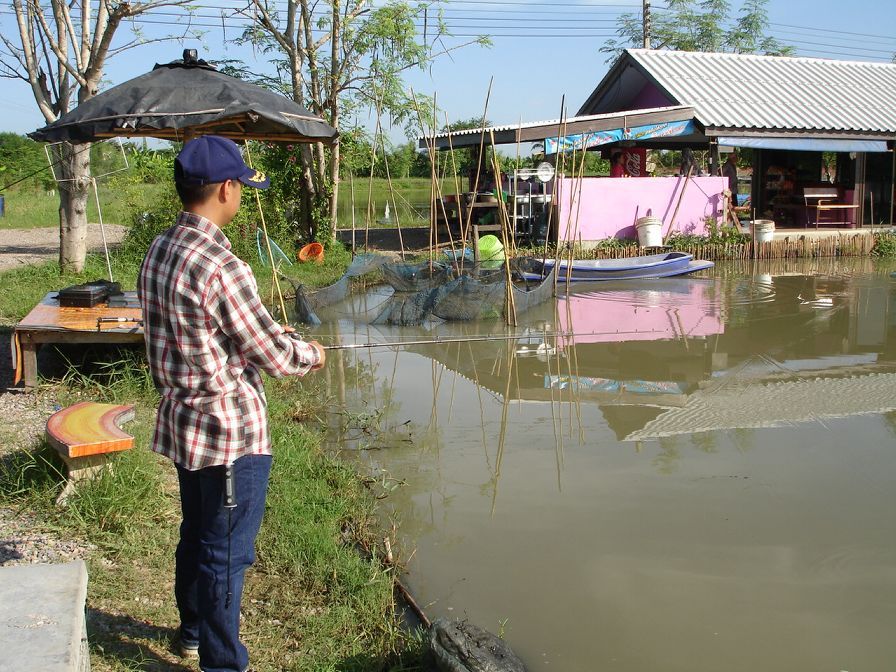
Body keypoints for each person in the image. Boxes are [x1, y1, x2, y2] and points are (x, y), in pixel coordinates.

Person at [138, 135, 326, 672]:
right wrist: (309, 353)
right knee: (227, 553)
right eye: (241, 185)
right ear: (225, 188)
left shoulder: (161, 248)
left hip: (183, 425)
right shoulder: (223, 264)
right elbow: (275, 357)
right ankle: (224, 663)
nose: (242, 195)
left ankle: (193, 631)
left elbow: (207, 332)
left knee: (196, 531)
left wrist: (271, 333)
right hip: (228, 436)